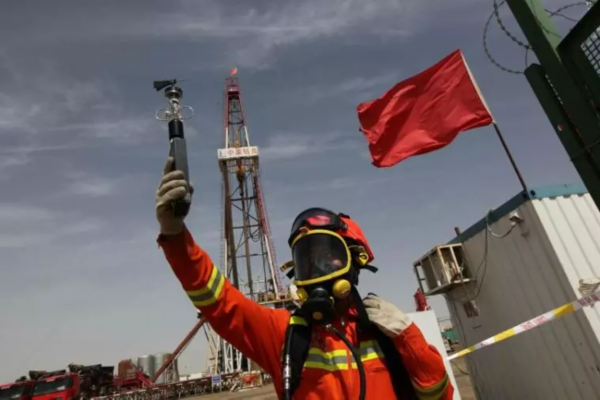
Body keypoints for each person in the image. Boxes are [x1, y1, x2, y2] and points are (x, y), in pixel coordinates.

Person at [155, 157, 454, 400]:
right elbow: (220, 302)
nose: (317, 270)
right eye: (307, 261)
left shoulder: (387, 331)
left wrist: (408, 338)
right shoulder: (286, 334)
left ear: (354, 261)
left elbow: (439, 395)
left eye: (328, 257)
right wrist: (175, 235)